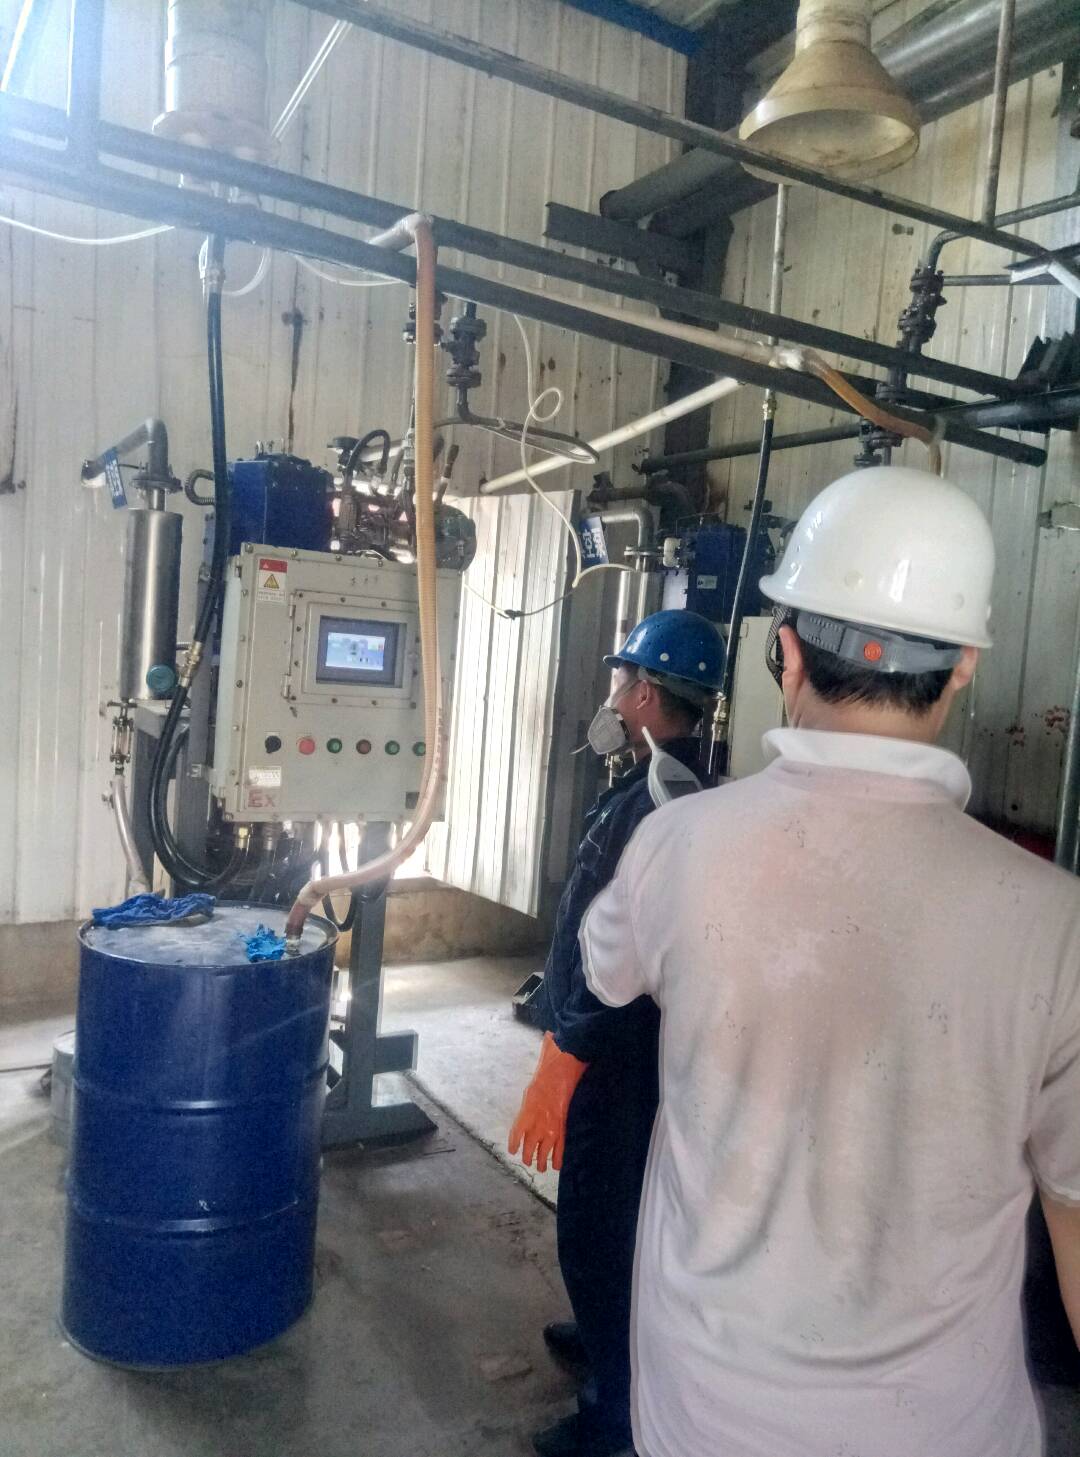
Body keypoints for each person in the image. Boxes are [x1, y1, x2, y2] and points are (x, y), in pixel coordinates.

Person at [579, 465, 1080, 1457]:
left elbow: (606, 974)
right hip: (947, 1432)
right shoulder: (1056, 921)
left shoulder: (676, 842)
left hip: (704, 1416)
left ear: (788, 649)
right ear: (966, 664)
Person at [508, 610, 726, 1457]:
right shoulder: (678, 784)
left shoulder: (656, 803)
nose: (611, 695)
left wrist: (569, 1048)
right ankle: (607, 1334)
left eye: (620, 679)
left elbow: (625, 953)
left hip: (616, 1054)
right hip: (636, 1049)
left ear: (642, 694)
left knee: (598, 1226)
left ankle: (617, 1416)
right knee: (621, 1217)